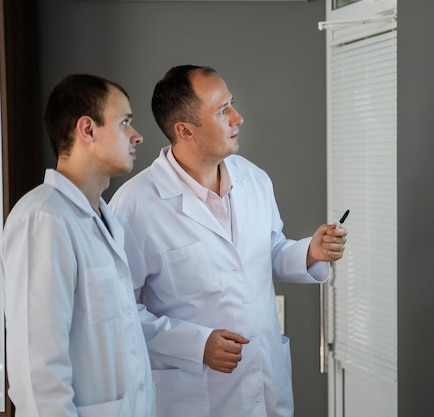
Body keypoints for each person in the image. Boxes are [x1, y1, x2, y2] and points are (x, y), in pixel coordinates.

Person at [109, 65, 348, 417]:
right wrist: (195, 345)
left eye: (231, 104)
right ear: (185, 130)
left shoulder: (254, 179)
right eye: (223, 110)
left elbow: (266, 252)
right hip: (193, 396)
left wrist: (309, 252)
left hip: (265, 384)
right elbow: (118, 312)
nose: (239, 117)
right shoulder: (135, 206)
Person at [1, 74, 155, 417]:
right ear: (87, 130)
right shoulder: (42, 219)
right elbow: (36, 369)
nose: (137, 135)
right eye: (125, 122)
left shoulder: (102, 218)